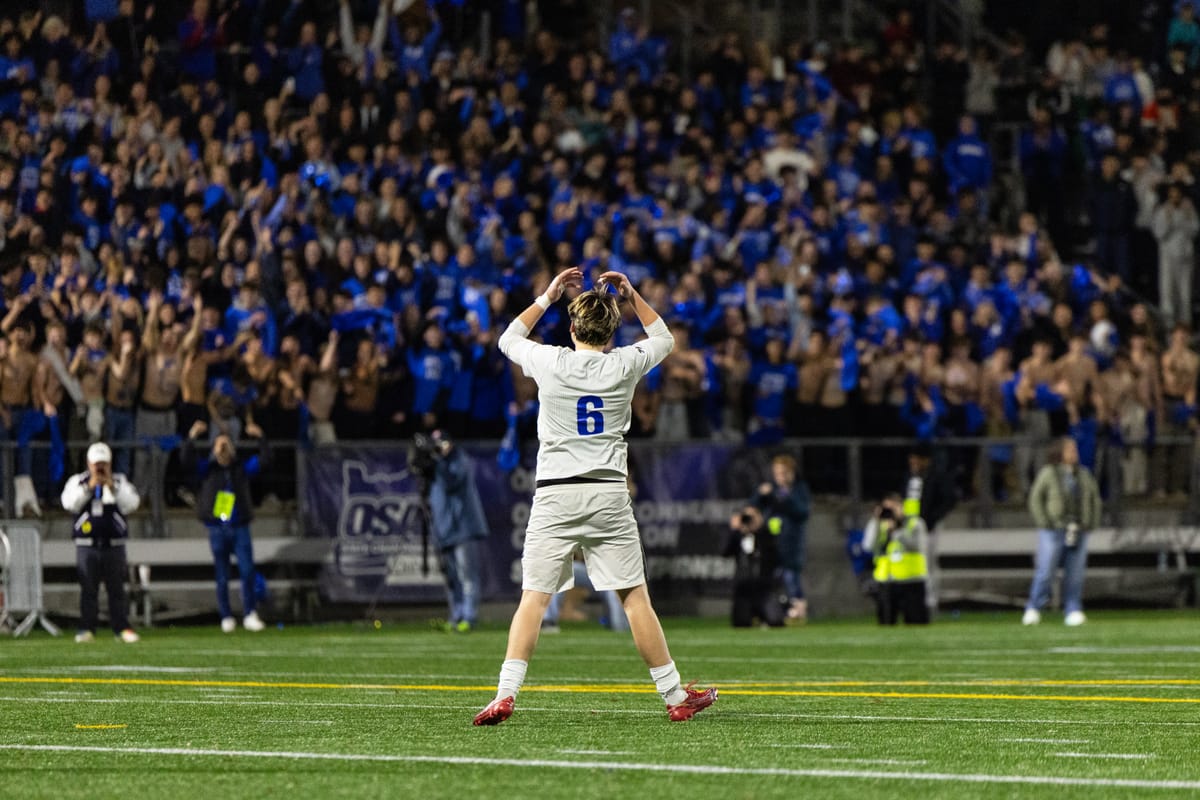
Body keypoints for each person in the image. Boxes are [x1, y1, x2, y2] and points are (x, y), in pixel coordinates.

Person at [474, 267, 716, 726]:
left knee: (534, 598)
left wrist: (546, 296)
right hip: (607, 492)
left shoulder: (552, 361)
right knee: (634, 599)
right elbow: (664, 338)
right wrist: (633, 294)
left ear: (572, 328)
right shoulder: (621, 363)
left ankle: (505, 694)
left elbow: (509, 337)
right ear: (611, 330)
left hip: (555, 495)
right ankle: (674, 696)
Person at [184, 422, 267, 633]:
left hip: (239, 526)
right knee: (222, 575)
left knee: (247, 570)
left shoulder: (239, 469)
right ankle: (226, 615)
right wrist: (192, 437)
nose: (223, 449)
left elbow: (264, 461)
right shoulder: (209, 470)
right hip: (217, 527)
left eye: (226, 445)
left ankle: (249, 612)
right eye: (219, 445)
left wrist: (261, 438)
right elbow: (187, 461)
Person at [60, 442, 140, 643]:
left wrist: (112, 487)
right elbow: (69, 503)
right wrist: (89, 488)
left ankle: (121, 628)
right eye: (97, 464)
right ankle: (87, 628)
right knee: (88, 589)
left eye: (103, 464)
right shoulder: (78, 482)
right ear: (89, 463)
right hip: (87, 545)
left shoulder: (120, 482)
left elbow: (132, 504)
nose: (100, 468)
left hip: (114, 544)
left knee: (117, 590)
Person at [1022, 437, 1102, 627]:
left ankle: (1073, 608)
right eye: (1070, 450)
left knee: (1075, 572)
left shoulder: (1083, 474)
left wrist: (1091, 522)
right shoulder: (1048, 474)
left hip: (1078, 528)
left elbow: (1094, 499)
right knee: (1046, 570)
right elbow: (1036, 498)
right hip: (1054, 528)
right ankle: (1034, 606)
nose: (1074, 453)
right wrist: (1045, 521)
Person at [426, 430, 489, 633]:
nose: (439, 448)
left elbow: (453, 480)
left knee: (466, 574)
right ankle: (456, 615)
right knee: (451, 576)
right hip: (443, 527)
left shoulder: (458, 458)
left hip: (462, 526)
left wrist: (438, 459)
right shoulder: (434, 464)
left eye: (442, 443)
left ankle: (469, 617)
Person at [750, 454, 811, 623]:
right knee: (771, 581)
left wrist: (783, 497)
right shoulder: (771, 490)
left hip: (791, 544)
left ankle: (798, 613)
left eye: (784, 473)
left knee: (791, 579)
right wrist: (760, 496)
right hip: (770, 545)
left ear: (792, 473)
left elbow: (802, 512)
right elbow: (753, 507)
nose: (780, 477)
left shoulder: (798, 490)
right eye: (777, 473)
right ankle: (771, 613)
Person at [862, 493, 931, 625]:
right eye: (887, 509)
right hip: (887, 580)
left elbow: (918, 546)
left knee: (915, 623)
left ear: (901, 507)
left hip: (911, 580)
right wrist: (876, 522)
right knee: (886, 623)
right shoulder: (879, 523)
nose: (890, 512)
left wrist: (897, 530)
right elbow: (868, 546)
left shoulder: (914, 523)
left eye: (893, 508)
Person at [725, 504, 784, 628]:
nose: (749, 520)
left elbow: (777, 555)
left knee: (776, 621)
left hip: (764, 589)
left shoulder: (766, 535)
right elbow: (725, 552)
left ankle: (763, 616)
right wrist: (736, 531)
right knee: (741, 624)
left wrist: (759, 529)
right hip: (744, 590)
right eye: (747, 517)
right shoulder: (739, 536)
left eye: (752, 517)